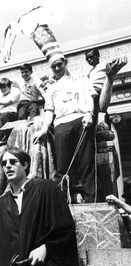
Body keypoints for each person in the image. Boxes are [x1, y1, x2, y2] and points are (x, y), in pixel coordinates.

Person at [0, 147, 81, 266]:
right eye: (4, 163)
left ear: (25, 165)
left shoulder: (46, 188)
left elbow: (66, 229)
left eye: (13, 162)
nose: (8, 166)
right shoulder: (0, 205)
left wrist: (47, 248)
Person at [33, 57, 97, 204]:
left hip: (81, 118)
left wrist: (88, 113)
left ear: (65, 62)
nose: (56, 69)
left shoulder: (81, 78)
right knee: (63, 167)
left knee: (87, 163)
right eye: (53, 67)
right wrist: (44, 128)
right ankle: (62, 203)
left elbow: (90, 97)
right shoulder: (50, 88)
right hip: (61, 123)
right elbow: (49, 110)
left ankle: (91, 201)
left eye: (59, 65)